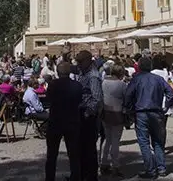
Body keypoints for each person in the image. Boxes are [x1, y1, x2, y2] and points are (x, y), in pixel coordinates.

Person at [125, 56, 173, 179]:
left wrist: (130, 109)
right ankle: (161, 168)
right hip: (156, 112)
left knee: (144, 142)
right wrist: (166, 107)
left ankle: (151, 170)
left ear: (140, 66)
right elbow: (171, 93)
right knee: (158, 141)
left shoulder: (137, 79)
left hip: (141, 112)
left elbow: (128, 95)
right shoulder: (158, 79)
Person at [45, 61, 83, 181]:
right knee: (73, 153)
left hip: (55, 120)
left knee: (52, 154)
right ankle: (75, 176)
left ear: (57, 72)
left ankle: (50, 178)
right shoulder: (77, 85)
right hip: (72, 120)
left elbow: (48, 99)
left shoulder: (52, 85)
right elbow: (79, 101)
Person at [75, 50, 103, 181]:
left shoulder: (93, 76)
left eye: (80, 62)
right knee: (81, 148)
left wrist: (87, 113)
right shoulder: (83, 73)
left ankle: (91, 176)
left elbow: (97, 98)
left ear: (87, 61)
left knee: (89, 148)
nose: (78, 65)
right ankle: (82, 174)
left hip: (88, 116)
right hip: (81, 113)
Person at [100, 63, 127, 177]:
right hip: (117, 114)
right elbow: (126, 99)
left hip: (105, 113)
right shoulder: (122, 85)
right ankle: (115, 165)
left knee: (107, 139)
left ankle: (103, 162)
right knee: (115, 141)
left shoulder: (104, 82)